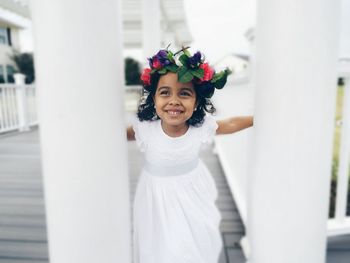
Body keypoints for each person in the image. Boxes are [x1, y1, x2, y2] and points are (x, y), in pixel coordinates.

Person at [126, 46, 254, 263]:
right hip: (155, 196)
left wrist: (256, 119)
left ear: (196, 102)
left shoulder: (200, 127)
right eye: (165, 92)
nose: (174, 101)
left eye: (184, 93)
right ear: (154, 98)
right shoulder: (146, 128)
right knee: (159, 247)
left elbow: (230, 123)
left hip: (192, 192)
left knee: (190, 245)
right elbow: (116, 134)